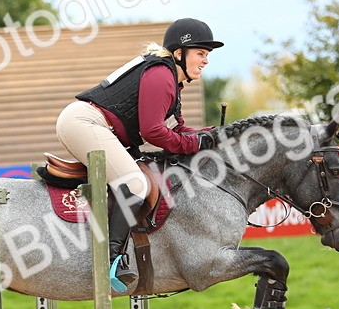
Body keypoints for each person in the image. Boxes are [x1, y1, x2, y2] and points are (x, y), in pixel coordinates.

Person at [56, 17, 222, 291]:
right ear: (179, 54)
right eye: (201, 53)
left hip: (91, 124)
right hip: (85, 123)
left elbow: (176, 130)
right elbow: (154, 132)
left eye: (207, 55)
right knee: (135, 182)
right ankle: (112, 260)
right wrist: (195, 145)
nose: (206, 61)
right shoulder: (161, 76)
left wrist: (210, 135)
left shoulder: (171, 79)